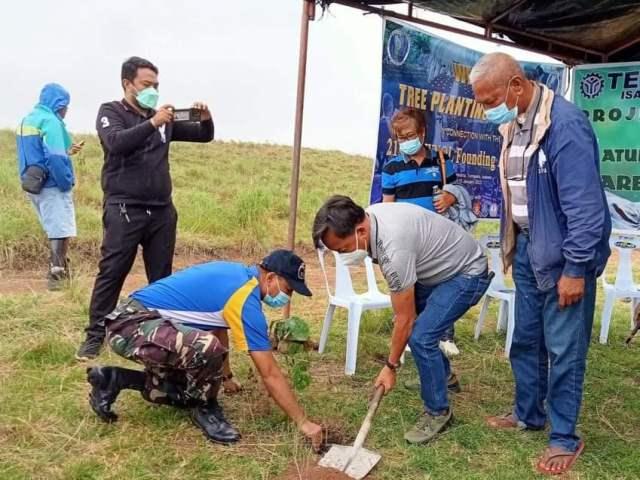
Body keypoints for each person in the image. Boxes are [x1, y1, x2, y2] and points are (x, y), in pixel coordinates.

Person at [470, 52, 611, 476]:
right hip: (531, 251)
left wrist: (575, 268)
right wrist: (515, 246)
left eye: (490, 98)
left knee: (565, 348)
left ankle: (564, 436)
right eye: (480, 102)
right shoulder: (513, 125)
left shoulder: (563, 126)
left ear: (516, 85)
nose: (486, 108)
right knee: (527, 338)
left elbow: (586, 209)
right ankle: (528, 413)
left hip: (566, 256)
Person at [86, 249, 324, 449]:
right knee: (207, 349)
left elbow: (217, 326)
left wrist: (227, 377)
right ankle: (205, 409)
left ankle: (113, 379)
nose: (287, 296)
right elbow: (269, 372)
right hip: (131, 324)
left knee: (185, 390)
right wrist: (303, 422)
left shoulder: (238, 276)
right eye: (289, 289)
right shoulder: (245, 296)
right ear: (271, 277)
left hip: (134, 322)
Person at [313, 196, 491, 444]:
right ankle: (443, 377)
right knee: (421, 331)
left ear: (360, 230)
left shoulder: (392, 249)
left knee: (421, 336)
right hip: (439, 270)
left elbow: (404, 319)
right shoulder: (370, 218)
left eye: (342, 249)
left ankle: (438, 411)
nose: (342, 256)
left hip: (467, 273)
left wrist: (390, 366)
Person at [76, 56, 215, 360]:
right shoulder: (112, 112)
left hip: (161, 211)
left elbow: (204, 136)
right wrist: (152, 123)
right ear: (128, 84)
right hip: (125, 208)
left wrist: (206, 119)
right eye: (146, 84)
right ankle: (95, 335)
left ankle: (161, 333)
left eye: (156, 85)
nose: (152, 90)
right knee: (112, 271)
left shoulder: (163, 118)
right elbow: (115, 143)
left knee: (162, 276)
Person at [382, 107, 478, 358]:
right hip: (407, 243)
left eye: (410, 135)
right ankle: (408, 338)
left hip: (438, 241)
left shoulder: (442, 160)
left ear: (423, 132)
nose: (406, 141)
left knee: (441, 285)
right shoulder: (391, 168)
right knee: (409, 289)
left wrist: (449, 197)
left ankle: (444, 336)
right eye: (400, 138)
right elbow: (387, 207)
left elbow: (455, 192)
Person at [16, 83, 84, 290]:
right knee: (60, 228)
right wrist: (66, 182)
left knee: (53, 226)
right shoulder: (51, 121)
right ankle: (58, 275)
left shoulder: (28, 119)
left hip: (32, 182)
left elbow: (36, 152)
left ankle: (60, 269)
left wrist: (68, 150)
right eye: (65, 105)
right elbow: (55, 158)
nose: (66, 110)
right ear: (58, 104)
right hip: (52, 184)